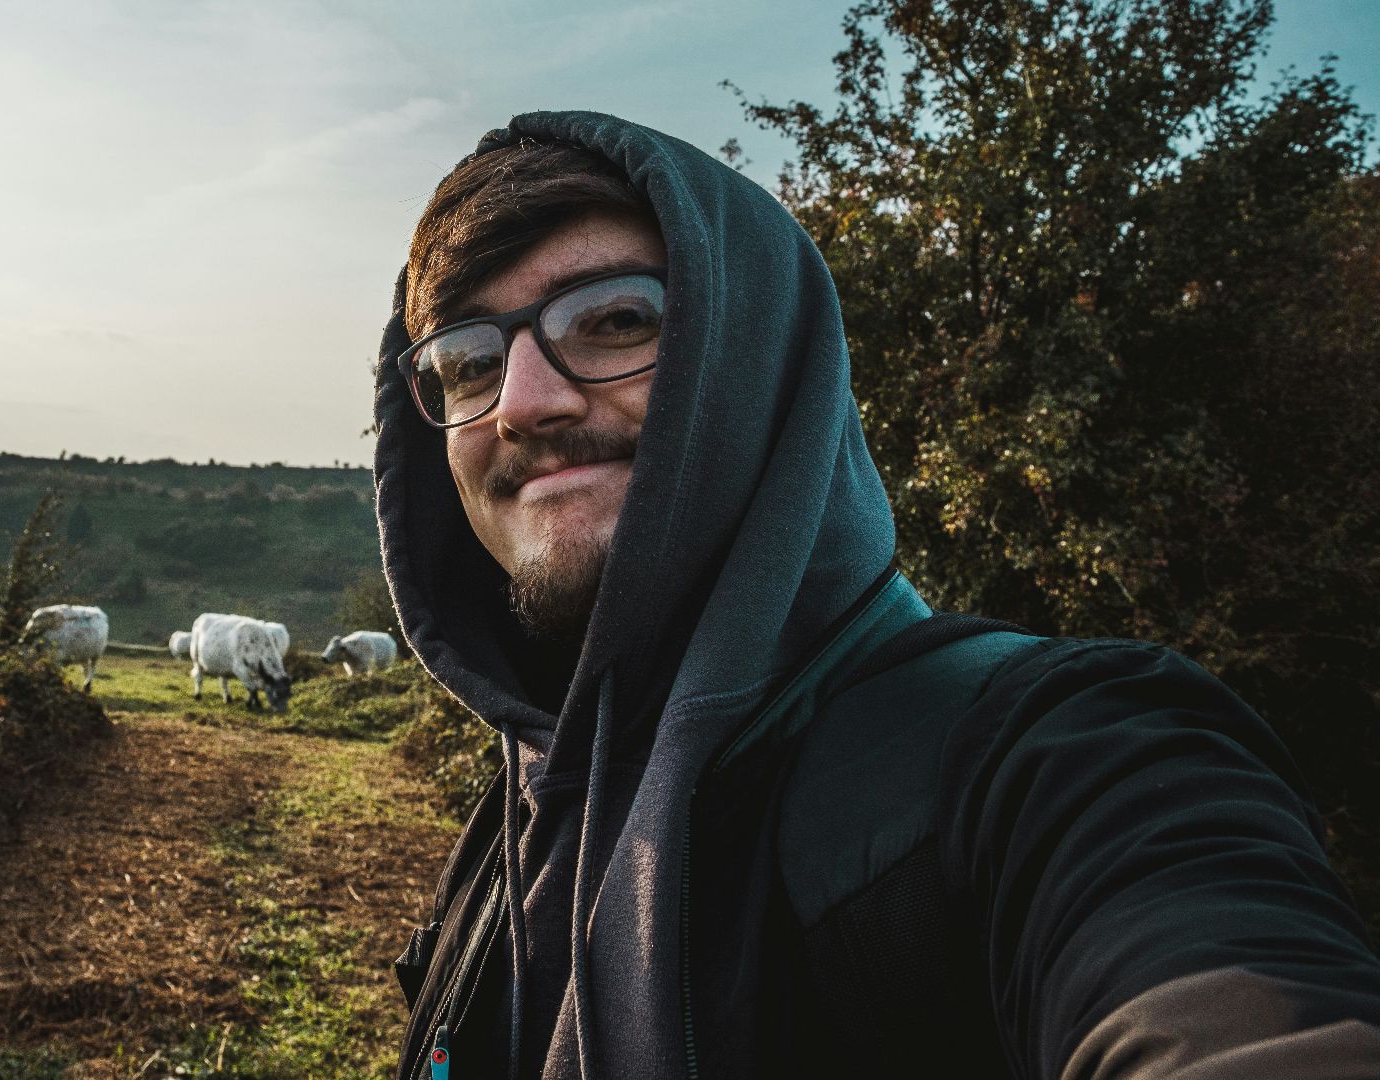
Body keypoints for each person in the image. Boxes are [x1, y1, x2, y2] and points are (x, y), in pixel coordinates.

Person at [372, 111, 1380, 1079]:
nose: (524, 403)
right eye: (468, 362)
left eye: (615, 319)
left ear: (755, 356)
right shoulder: (520, 818)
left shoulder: (1051, 759)